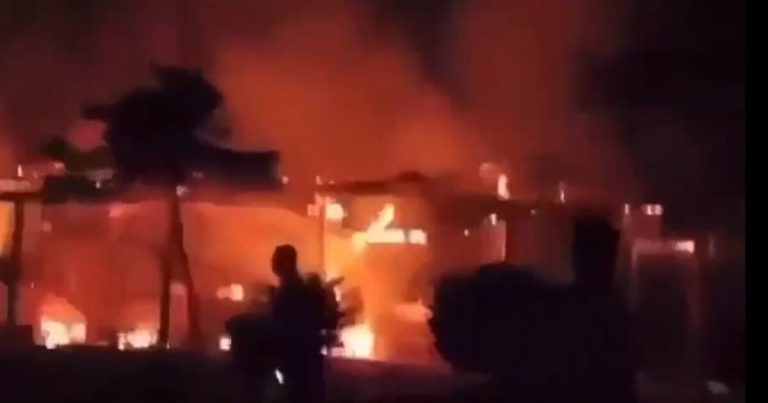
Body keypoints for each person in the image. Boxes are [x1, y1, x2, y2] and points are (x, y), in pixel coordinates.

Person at [270, 245, 327, 403]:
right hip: (303, 358)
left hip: (297, 359)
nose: (273, 264)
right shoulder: (294, 287)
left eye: (277, 260)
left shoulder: (291, 290)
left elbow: (283, 324)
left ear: (287, 262)